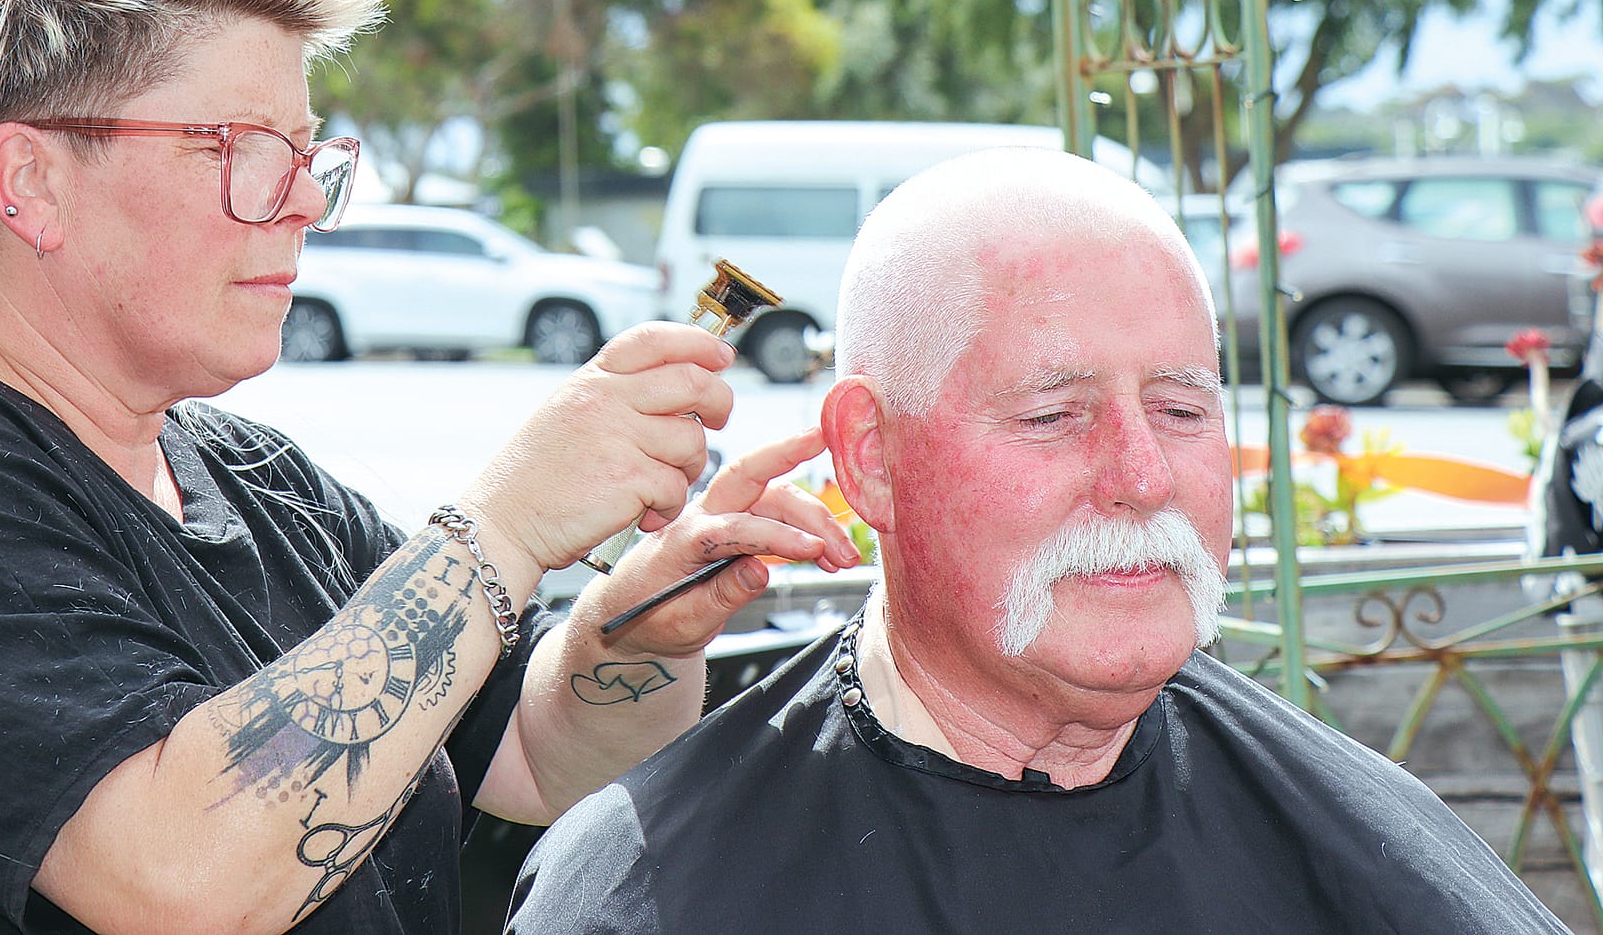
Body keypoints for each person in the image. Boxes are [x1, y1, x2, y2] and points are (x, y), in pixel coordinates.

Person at [0, 0, 862, 935]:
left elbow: (545, 756)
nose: (299, 203)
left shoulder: (256, 480)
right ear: (30, 181)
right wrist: (501, 530)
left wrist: (646, 619)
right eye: (238, 147)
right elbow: (181, 881)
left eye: (307, 155)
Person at [509, 148, 1563, 933]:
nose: (1142, 476)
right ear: (871, 456)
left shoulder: (1367, 842)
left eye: (1182, 410)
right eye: (1053, 416)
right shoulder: (656, 887)